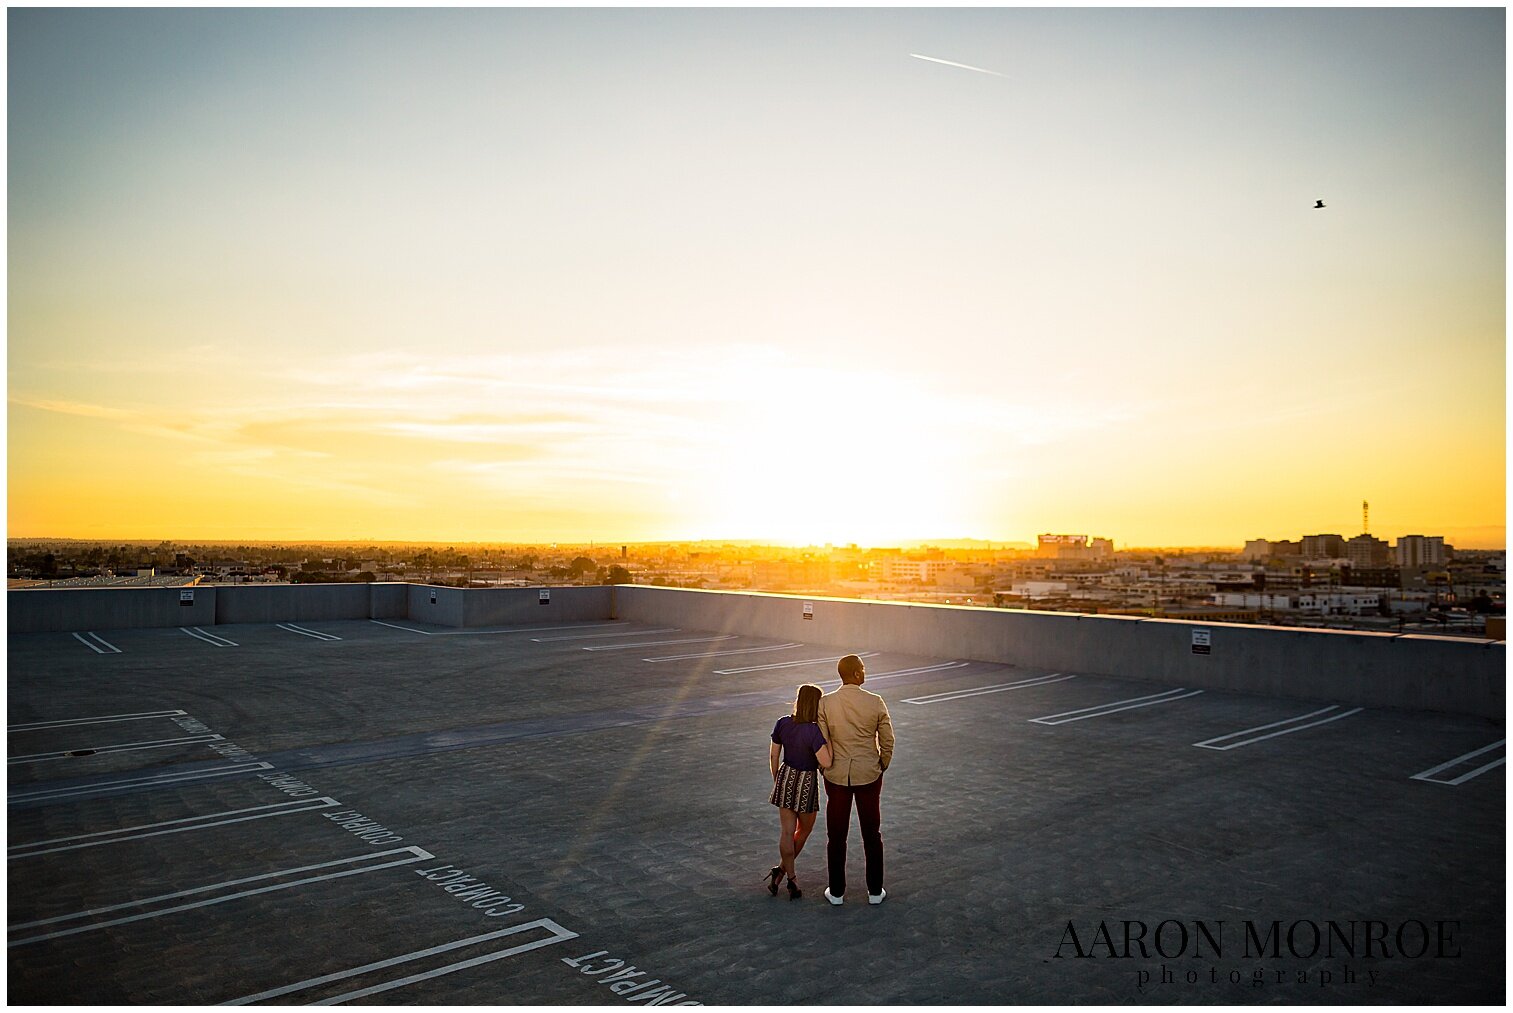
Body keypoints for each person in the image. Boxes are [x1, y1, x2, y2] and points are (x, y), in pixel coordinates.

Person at [817, 654, 894, 906]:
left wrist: (823, 766)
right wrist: (882, 763)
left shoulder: (826, 703)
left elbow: (821, 739)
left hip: (837, 775)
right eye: (863, 669)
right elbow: (887, 739)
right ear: (858, 673)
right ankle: (874, 891)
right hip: (868, 774)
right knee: (872, 833)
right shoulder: (875, 701)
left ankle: (837, 892)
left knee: (836, 835)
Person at [766, 683, 832, 900]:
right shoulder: (814, 730)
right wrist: (828, 739)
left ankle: (788, 875)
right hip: (806, 782)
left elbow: (774, 756)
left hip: (785, 776)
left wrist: (778, 779)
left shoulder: (782, 723)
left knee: (786, 831)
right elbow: (826, 762)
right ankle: (787, 875)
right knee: (803, 831)